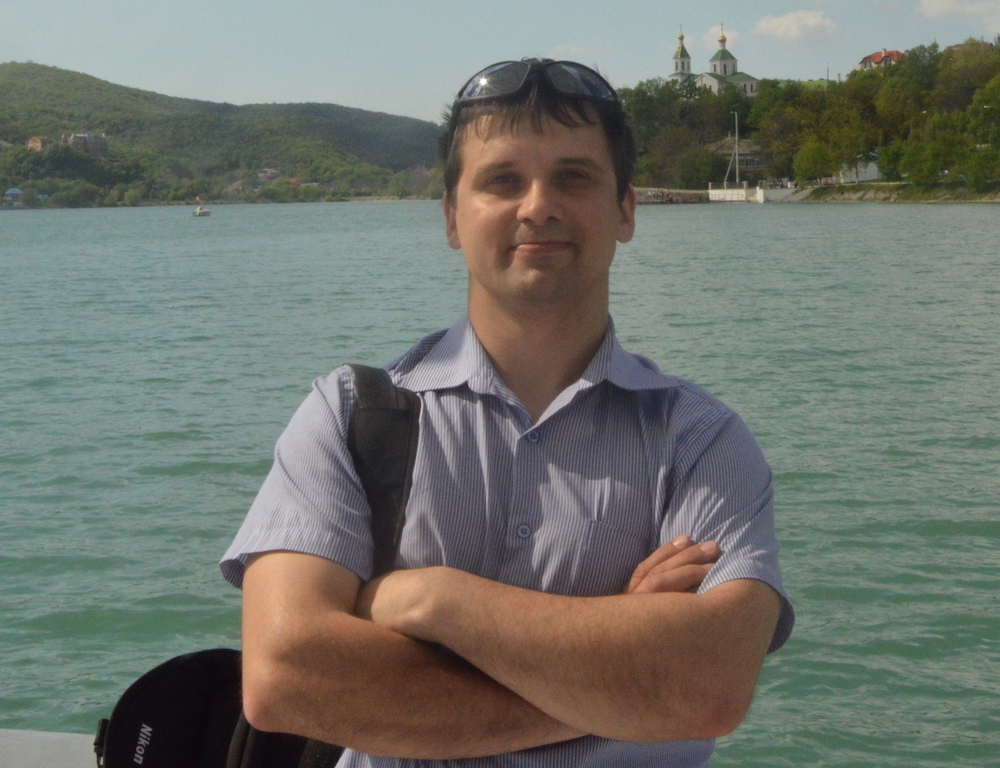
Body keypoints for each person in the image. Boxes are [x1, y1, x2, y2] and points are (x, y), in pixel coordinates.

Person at [221, 58, 793, 768]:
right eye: (502, 181)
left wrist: (435, 601)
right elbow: (286, 679)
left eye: (573, 178)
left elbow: (708, 687)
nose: (538, 206)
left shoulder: (701, 442)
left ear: (625, 211)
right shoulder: (349, 419)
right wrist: (621, 674)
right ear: (452, 217)